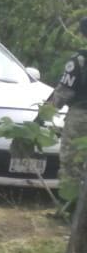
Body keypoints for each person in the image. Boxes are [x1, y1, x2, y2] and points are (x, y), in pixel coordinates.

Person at [44, 16, 87, 211]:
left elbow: (63, 93)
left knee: (72, 162)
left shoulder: (79, 61)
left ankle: (70, 208)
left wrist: (39, 120)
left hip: (81, 117)